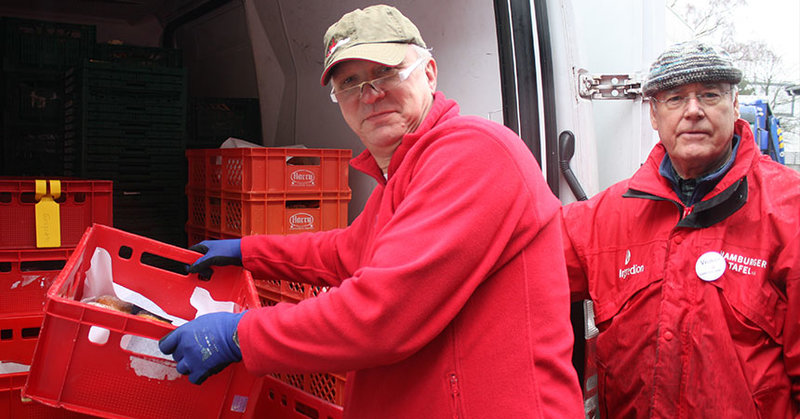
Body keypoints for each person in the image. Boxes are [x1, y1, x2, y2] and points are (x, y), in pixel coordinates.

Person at [159, 4, 583, 418]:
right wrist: (248, 251)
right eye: (350, 82)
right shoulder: (399, 178)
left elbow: (380, 315)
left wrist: (239, 334)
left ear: (429, 74)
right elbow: (343, 250)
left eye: (386, 72)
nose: (370, 94)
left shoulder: (473, 152)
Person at [561, 40, 800, 418]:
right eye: (674, 98)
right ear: (654, 115)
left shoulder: (790, 211)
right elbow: (522, 268)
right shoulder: (604, 217)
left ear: (735, 105)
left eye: (709, 95)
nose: (693, 111)